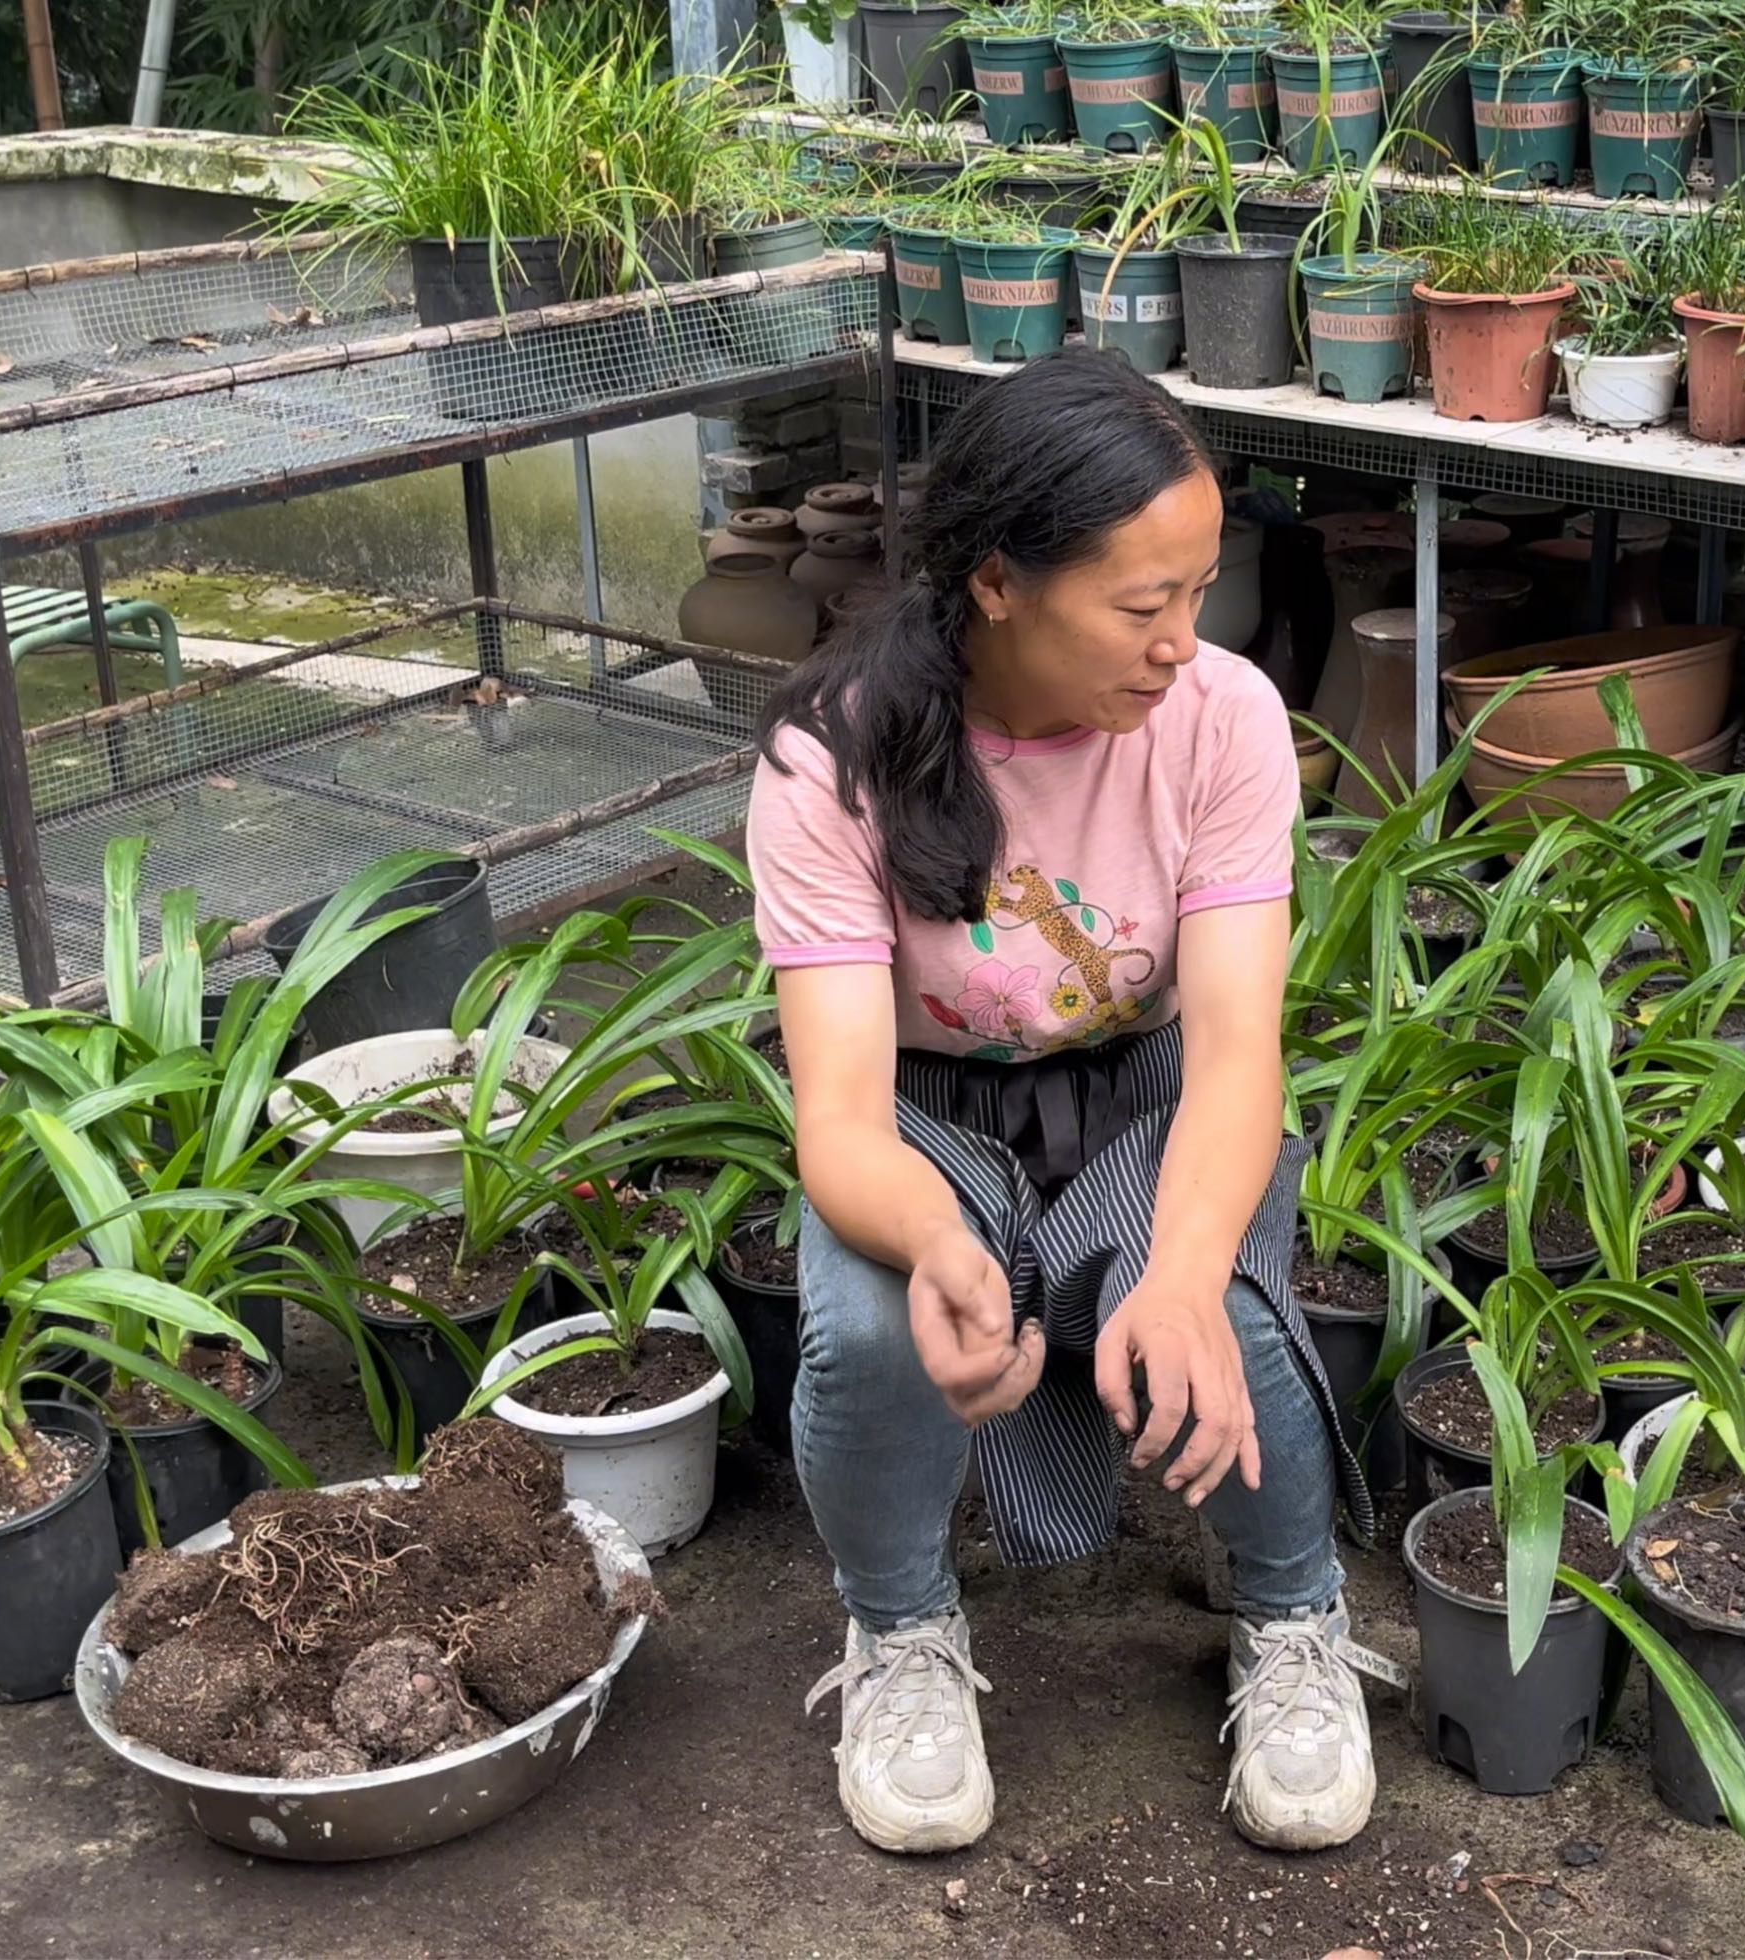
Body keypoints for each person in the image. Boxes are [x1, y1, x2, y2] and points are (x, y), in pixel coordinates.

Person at [745, 351, 1384, 1858]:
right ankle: (898, 1631)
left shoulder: (1222, 721)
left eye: (1198, 590)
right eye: (1138, 602)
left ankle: (1294, 1615)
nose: (1182, 641)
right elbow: (838, 1114)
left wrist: (1173, 1277)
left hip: (1145, 1085)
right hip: (926, 1109)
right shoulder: (829, 758)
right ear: (998, 584)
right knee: (868, 1323)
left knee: (1224, 1305)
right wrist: (936, 1241)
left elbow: (1235, 1056)